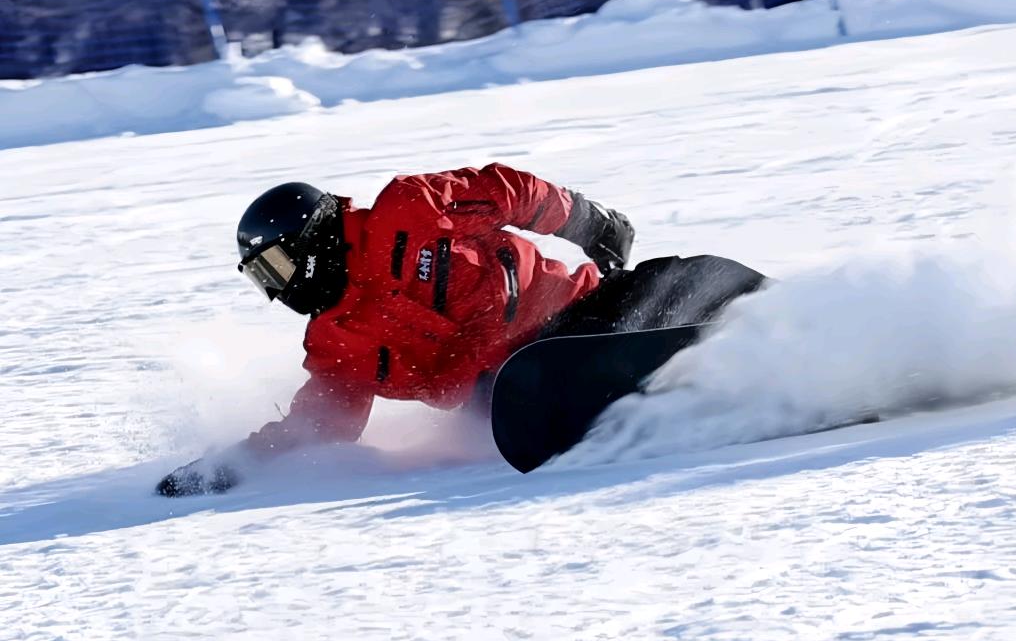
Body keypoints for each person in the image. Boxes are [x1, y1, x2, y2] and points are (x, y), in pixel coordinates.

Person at [156, 164, 764, 496]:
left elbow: (510, 192)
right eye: (265, 278)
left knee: (685, 282)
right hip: (509, 389)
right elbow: (320, 424)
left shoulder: (408, 208)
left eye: (278, 267)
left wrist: (587, 221)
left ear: (311, 241)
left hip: (578, 313)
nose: (279, 288)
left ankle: (804, 332)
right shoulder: (336, 342)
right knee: (514, 389)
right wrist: (235, 463)